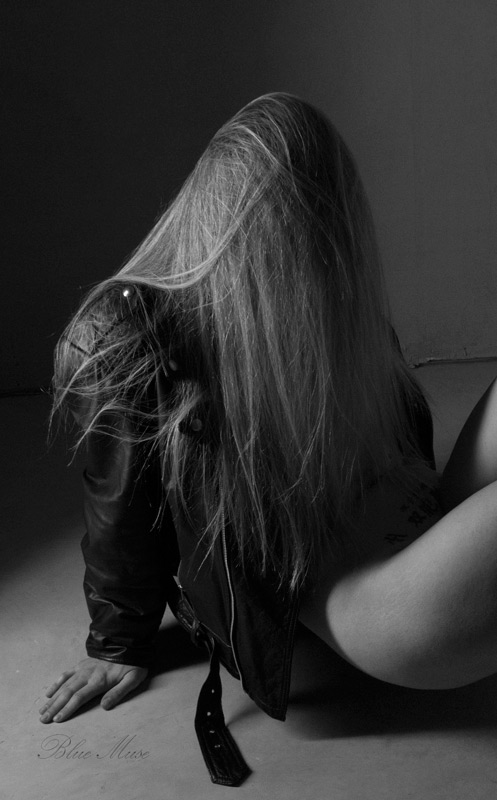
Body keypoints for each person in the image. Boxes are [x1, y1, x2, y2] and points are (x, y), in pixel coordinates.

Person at [38, 93, 497, 785]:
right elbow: (119, 507)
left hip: (426, 522)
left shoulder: (333, 311)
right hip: (383, 602)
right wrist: (117, 641)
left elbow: (404, 440)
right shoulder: (136, 339)